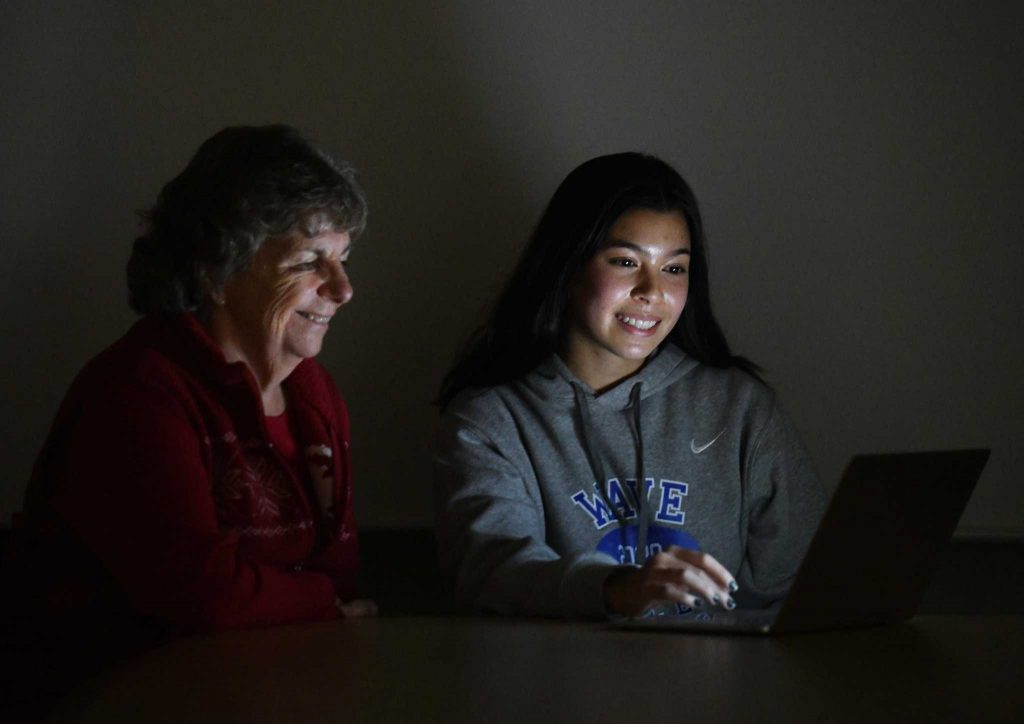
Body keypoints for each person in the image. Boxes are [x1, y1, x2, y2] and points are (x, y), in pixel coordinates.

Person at [1, 124, 375, 715]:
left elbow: (340, 573)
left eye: (344, 259)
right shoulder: (138, 390)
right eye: (310, 261)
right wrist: (320, 603)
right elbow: (203, 596)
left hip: (273, 694)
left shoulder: (315, 393)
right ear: (216, 272)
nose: (344, 289)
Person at [434, 152, 825, 619]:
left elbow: (805, 581)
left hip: (722, 666)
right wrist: (615, 589)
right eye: (625, 261)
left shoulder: (741, 408)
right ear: (568, 267)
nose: (652, 291)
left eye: (674, 269)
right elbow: (494, 569)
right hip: (563, 668)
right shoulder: (491, 420)